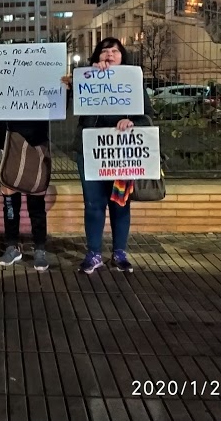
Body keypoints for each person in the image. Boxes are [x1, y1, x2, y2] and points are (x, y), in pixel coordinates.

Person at [66, 37, 155, 274]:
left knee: (120, 203)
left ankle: (119, 253)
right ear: (97, 57)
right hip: (91, 150)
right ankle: (93, 253)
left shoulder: (133, 80)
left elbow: (147, 115)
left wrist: (132, 121)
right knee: (94, 204)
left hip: (121, 151)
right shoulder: (86, 77)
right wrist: (86, 75)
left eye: (115, 51)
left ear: (122, 57)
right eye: (104, 51)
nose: (109, 54)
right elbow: (64, 99)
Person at [0, 120, 51, 271]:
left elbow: (60, 102)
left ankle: (39, 249)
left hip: (37, 142)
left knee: (37, 204)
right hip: (9, 140)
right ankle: (11, 246)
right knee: (10, 204)